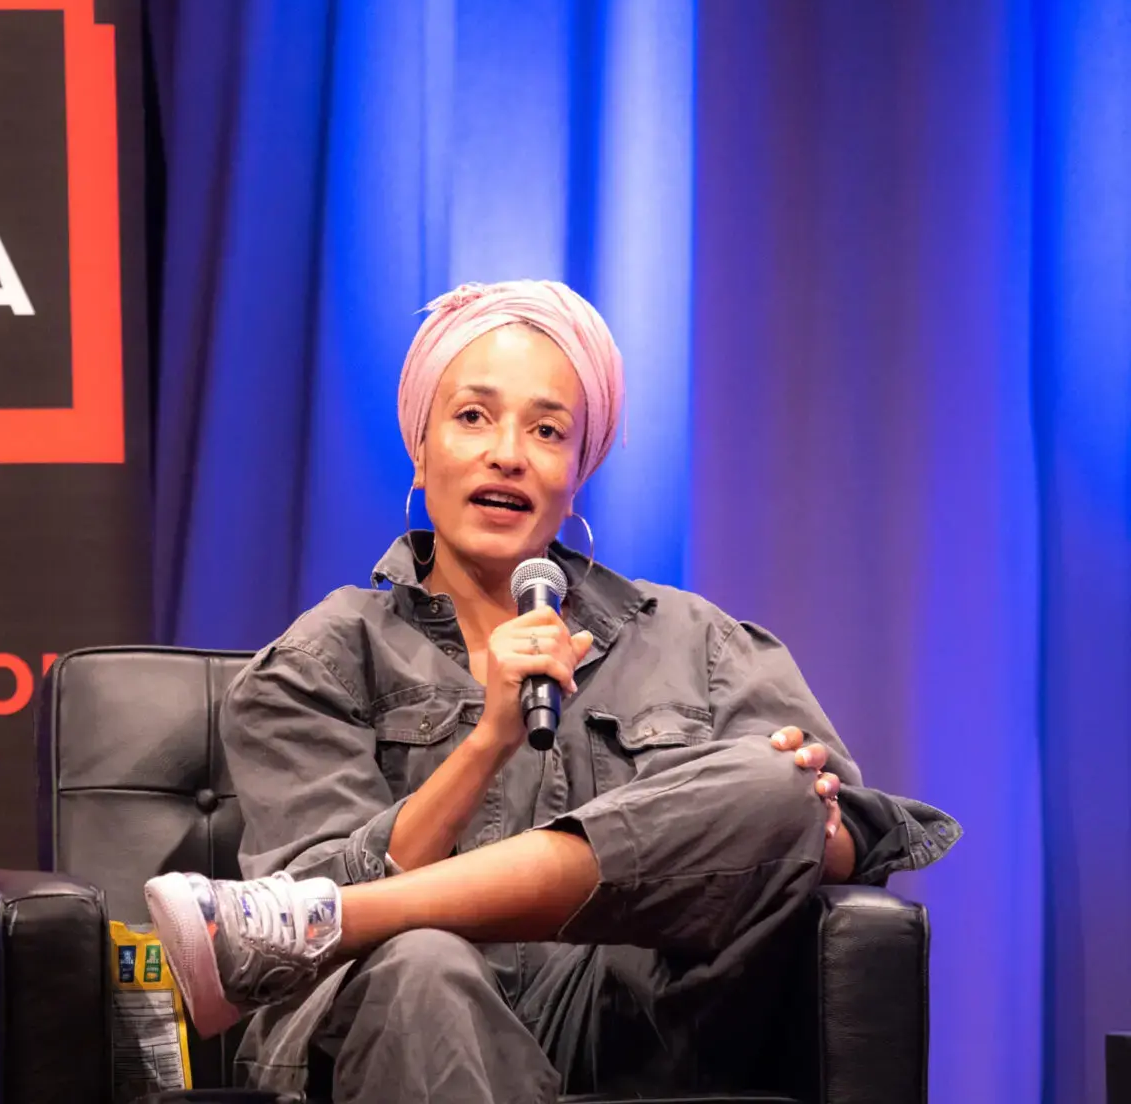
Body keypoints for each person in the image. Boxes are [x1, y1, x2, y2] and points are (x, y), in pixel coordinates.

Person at [144, 280, 960, 1102]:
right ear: (420, 450)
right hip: (402, 1015)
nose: (508, 453)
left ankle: (345, 913)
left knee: (779, 781)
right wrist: (487, 741)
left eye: (547, 431)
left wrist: (796, 814)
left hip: (625, 1020)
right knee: (423, 964)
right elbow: (318, 915)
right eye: (473, 417)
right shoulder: (320, 660)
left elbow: (857, 834)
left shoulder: (694, 641)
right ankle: (355, 921)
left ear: (578, 472)